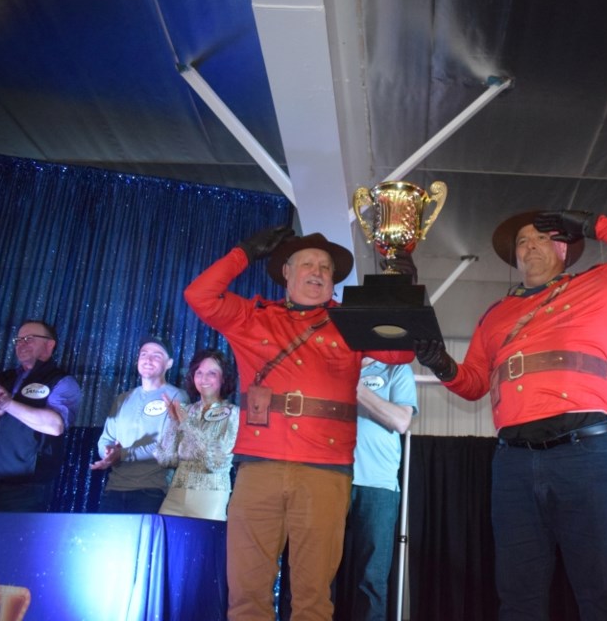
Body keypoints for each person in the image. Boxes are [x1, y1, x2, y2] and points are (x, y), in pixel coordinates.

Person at [415, 209, 607, 620]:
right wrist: (441, 364)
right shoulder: (495, 314)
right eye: (521, 241)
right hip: (513, 462)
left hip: (584, 454)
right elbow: (475, 383)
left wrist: (594, 224)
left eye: (540, 237)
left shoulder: (602, 284)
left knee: (601, 589)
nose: (529, 245)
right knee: (517, 595)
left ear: (564, 246)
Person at [184, 225, 413, 621]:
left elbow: (402, 351)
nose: (318, 270)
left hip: (324, 473)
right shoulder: (253, 318)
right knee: (247, 594)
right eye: (307, 262)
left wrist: (402, 286)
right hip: (258, 469)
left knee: (312, 598)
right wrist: (243, 252)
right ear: (285, 273)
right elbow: (198, 295)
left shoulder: (351, 322)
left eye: (326, 267)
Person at [334, 359, 418, 621]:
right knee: (316, 575)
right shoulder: (334, 364)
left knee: (372, 579)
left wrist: (357, 388)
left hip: (378, 486)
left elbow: (402, 421)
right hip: (330, 480)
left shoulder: (396, 369)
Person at [0, 320, 82, 512]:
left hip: (23, 488)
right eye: (18, 339)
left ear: (49, 344)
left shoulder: (60, 380)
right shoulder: (2, 378)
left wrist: (9, 404)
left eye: (28, 339)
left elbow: (55, 426)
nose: (21, 344)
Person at [91, 336, 188, 513]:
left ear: (169, 363)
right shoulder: (123, 398)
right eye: (144, 354)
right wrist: (108, 453)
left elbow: (167, 447)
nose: (148, 360)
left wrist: (123, 454)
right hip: (114, 489)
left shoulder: (177, 397)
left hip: (152, 491)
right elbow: (106, 438)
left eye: (157, 355)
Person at [155, 348, 240, 521]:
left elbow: (215, 462)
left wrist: (187, 424)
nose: (204, 379)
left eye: (212, 373)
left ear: (223, 378)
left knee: (203, 546)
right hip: (175, 493)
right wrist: (173, 421)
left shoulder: (233, 413)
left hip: (210, 496)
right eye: (199, 373)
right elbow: (166, 460)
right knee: (167, 544)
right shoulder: (186, 410)